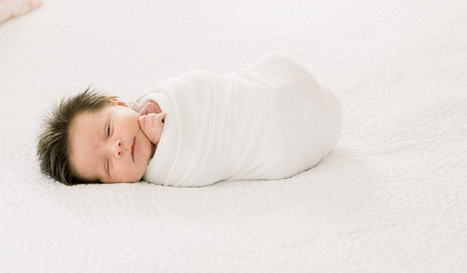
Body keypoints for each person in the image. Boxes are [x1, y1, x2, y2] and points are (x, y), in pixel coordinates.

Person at [37, 53, 342, 187]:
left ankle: (305, 100)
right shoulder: (167, 173)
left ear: (118, 103)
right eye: (106, 165)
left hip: (252, 100)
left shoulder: (159, 100)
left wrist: (166, 116)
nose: (116, 148)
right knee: (280, 142)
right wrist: (167, 143)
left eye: (108, 129)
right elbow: (205, 160)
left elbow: (203, 88)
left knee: (273, 94)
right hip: (275, 148)